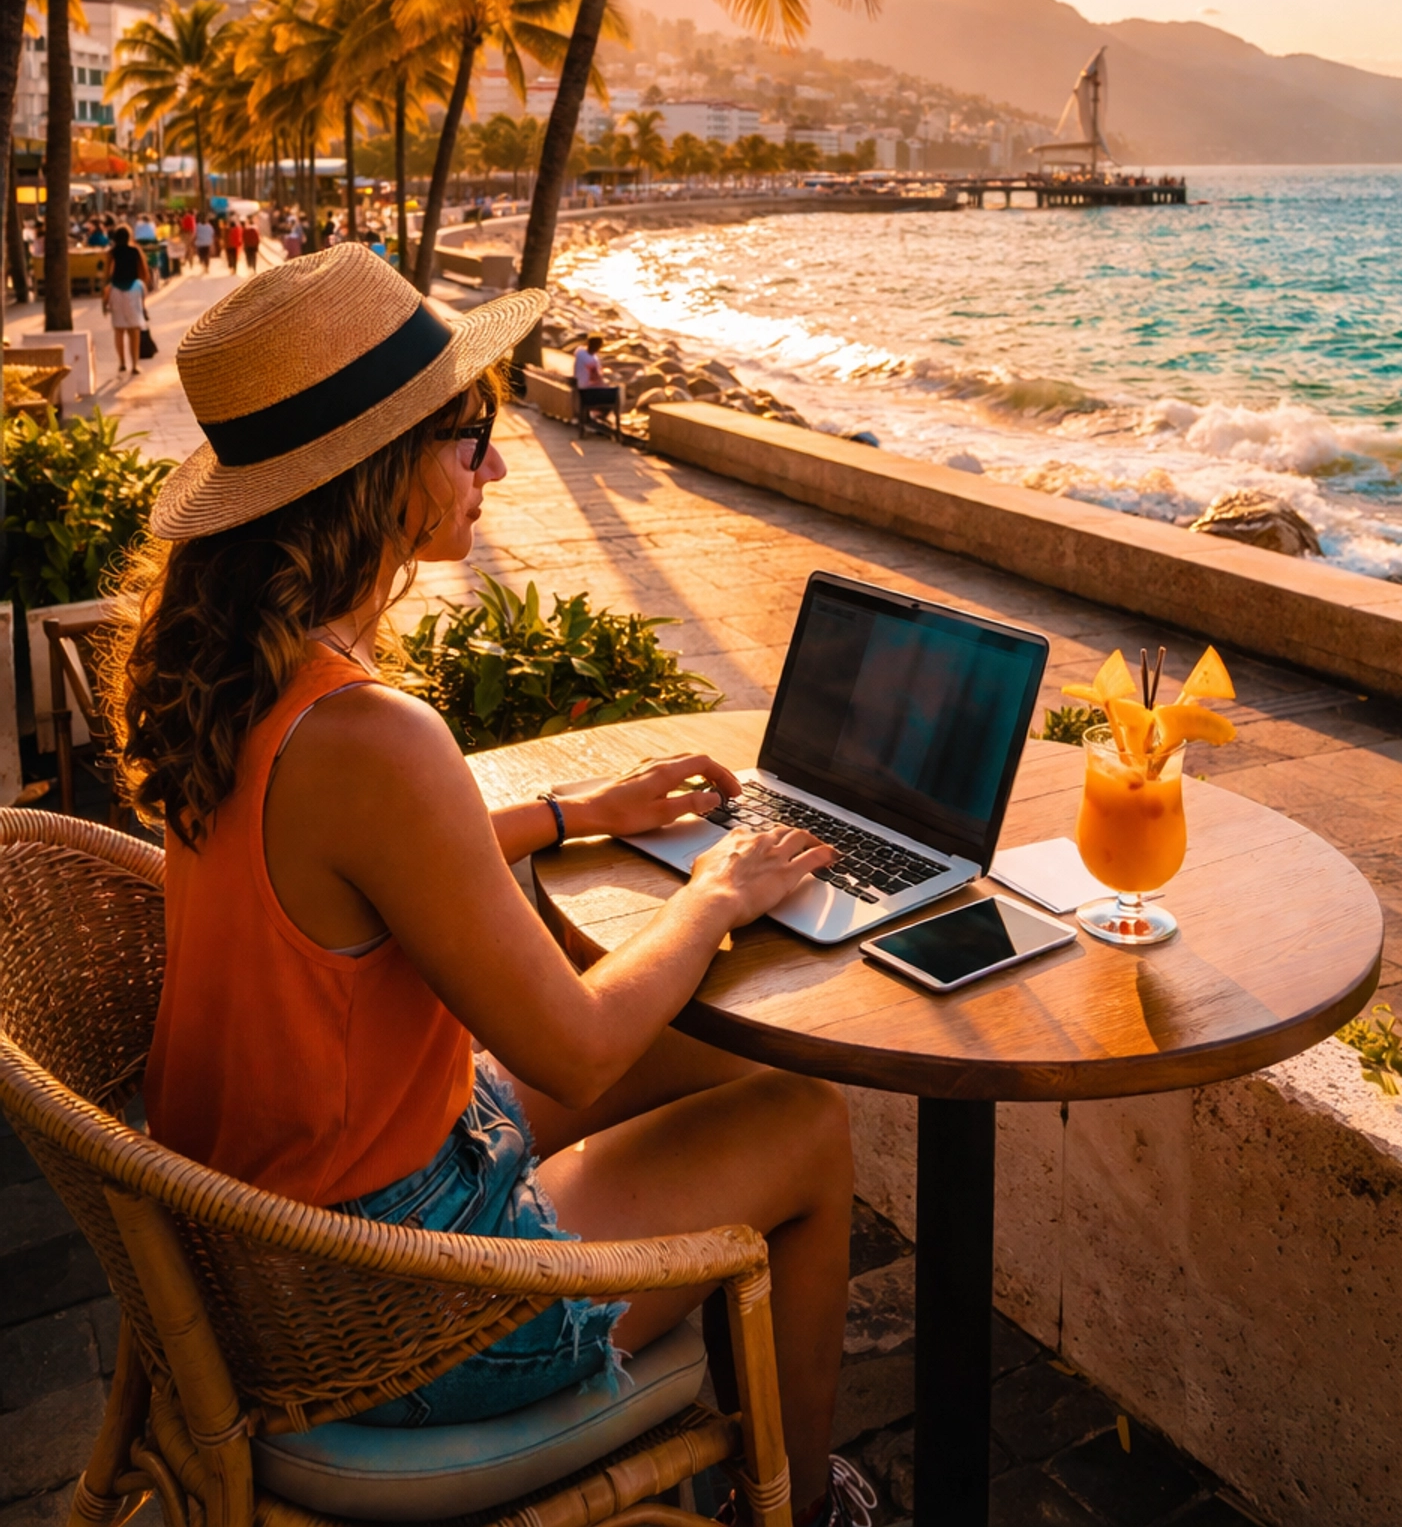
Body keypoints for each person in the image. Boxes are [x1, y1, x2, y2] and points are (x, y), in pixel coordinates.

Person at [106, 249, 858, 1524]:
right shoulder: (373, 737)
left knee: (733, 1065)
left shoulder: (242, 676)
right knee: (810, 1124)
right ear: (380, 474)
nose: (496, 468)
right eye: (474, 436)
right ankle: (792, 1502)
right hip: (392, 1304)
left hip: (276, 1235)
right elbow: (577, 1055)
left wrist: (573, 813)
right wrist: (716, 891)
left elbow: (350, 873)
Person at [101, 224, 151, 375]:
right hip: (133, 290)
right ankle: (135, 365)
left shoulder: (112, 253)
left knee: (119, 330)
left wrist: (104, 300)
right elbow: (144, 272)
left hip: (116, 290)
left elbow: (107, 276)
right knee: (134, 330)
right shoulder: (135, 251)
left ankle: (122, 363)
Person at [573, 332, 622, 439]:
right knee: (616, 393)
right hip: (589, 393)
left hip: (582, 391)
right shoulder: (590, 359)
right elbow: (596, 376)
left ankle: (596, 418)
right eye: (599, 345)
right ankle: (599, 418)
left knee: (609, 391)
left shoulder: (580, 353)